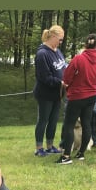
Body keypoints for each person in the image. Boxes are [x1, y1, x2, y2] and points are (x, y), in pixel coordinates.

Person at [55, 34, 96, 164]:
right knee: (86, 123)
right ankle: (81, 153)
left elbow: (67, 77)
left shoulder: (78, 59)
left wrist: (70, 84)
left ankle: (66, 156)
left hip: (76, 96)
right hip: (91, 97)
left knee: (69, 124)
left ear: (85, 45)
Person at [33, 25, 67, 157]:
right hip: (45, 94)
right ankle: (39, 147)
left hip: (57, 94)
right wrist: (61, 82)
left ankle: (50, 145)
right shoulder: (42, 54)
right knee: (43, 120)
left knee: (53, 120)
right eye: (60, 39)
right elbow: (44, 77)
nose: (61, 42)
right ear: (52, 37)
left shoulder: (57, 51)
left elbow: (63, 67)